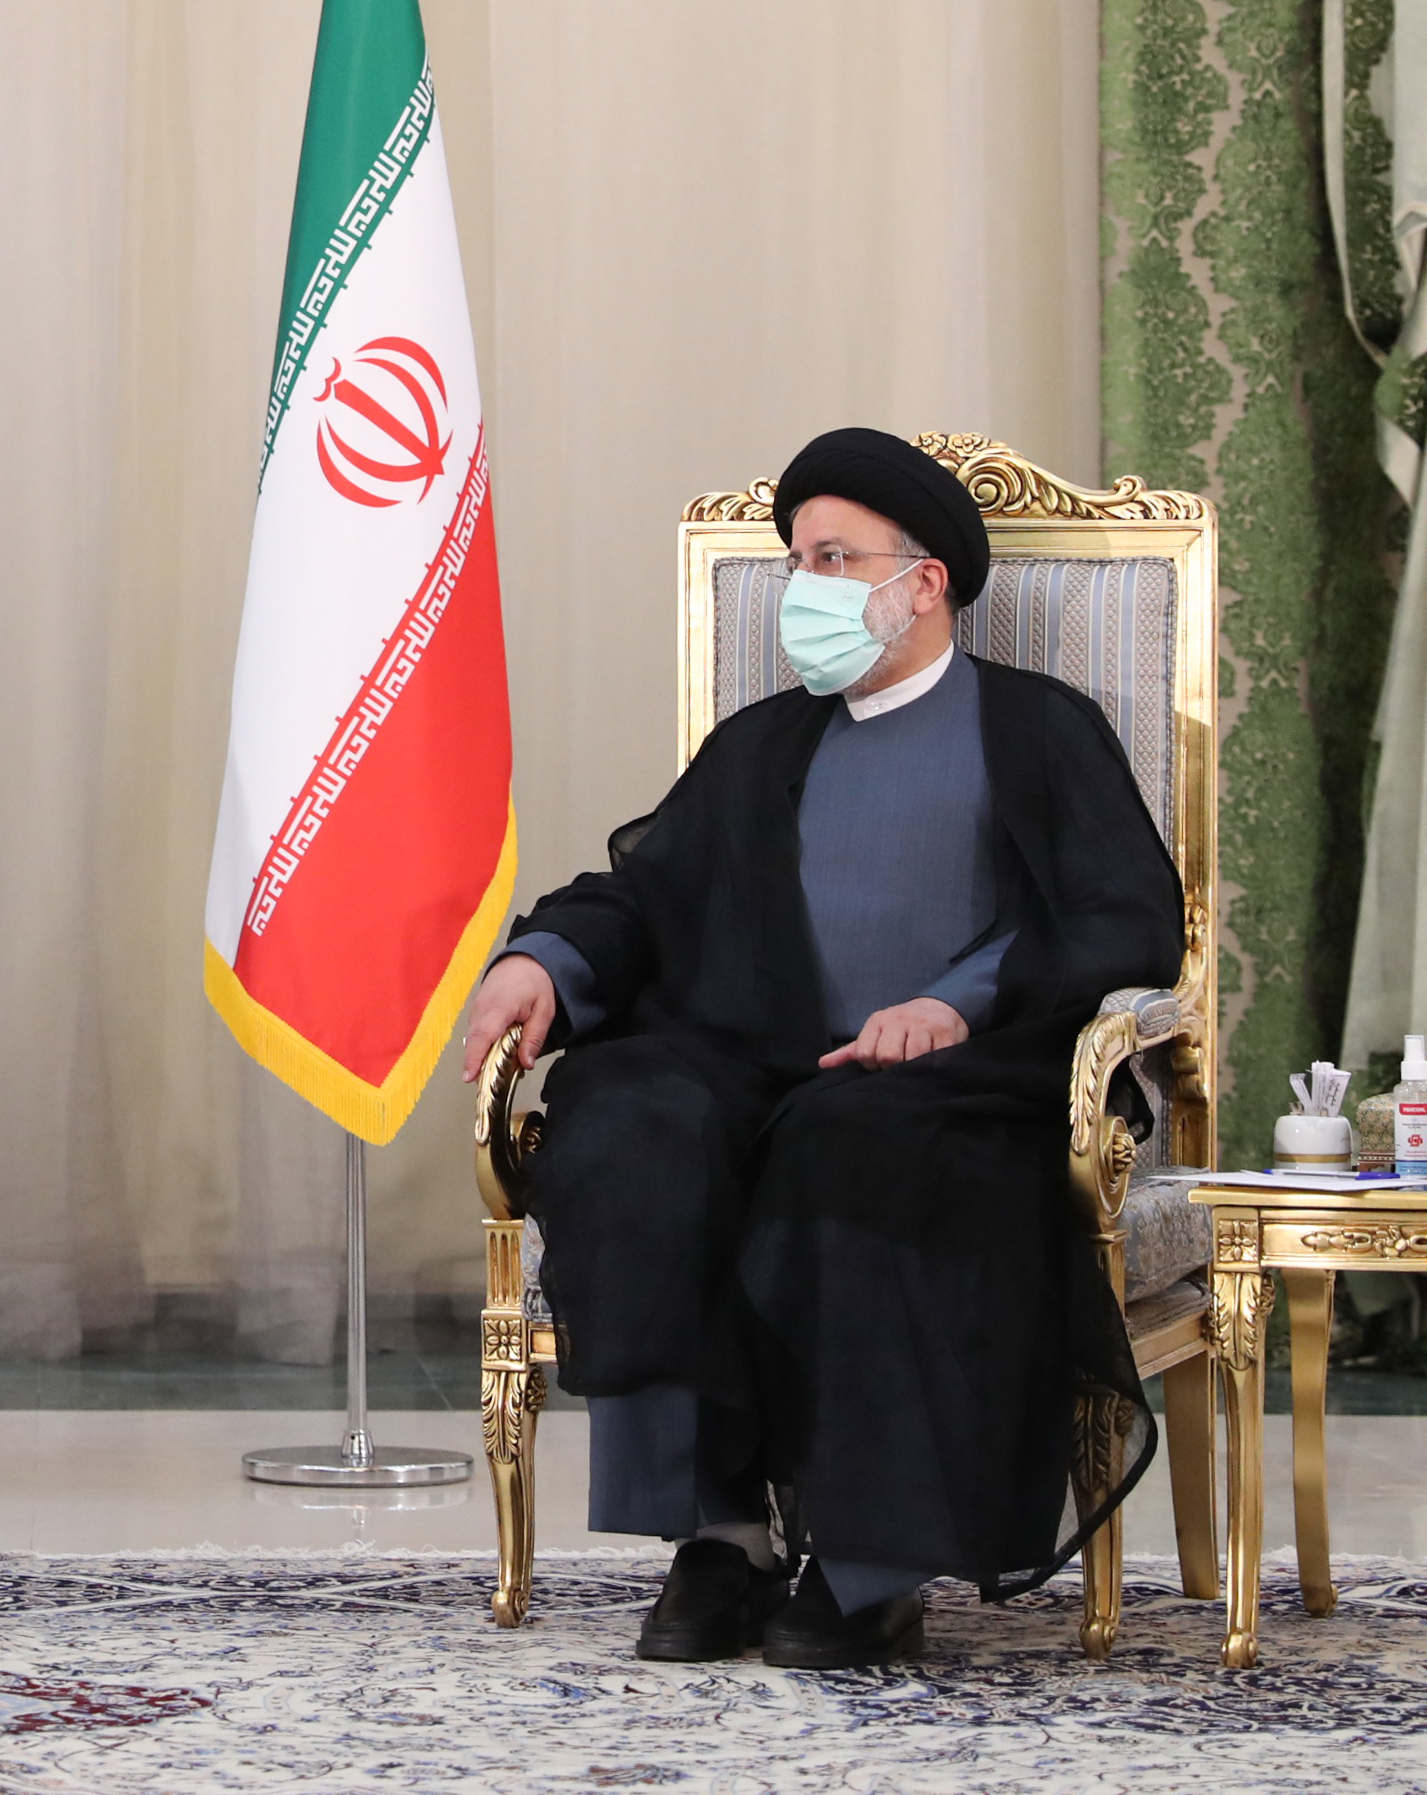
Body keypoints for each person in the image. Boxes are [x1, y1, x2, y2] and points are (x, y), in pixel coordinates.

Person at [458, 427, 1183, 1670]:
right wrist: (545, 962)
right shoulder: (762, 744)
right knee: (631, 1122)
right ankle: (720, 1537)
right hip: (749, 1060)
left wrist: (953, 1005)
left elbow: (1120, 919)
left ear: (923, 581)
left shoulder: (1035, 728)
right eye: (796, 560)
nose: (802, 585)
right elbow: (645, 895)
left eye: (832, 558)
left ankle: (866, 1561)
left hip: (954, 1084)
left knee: (855, 1147)